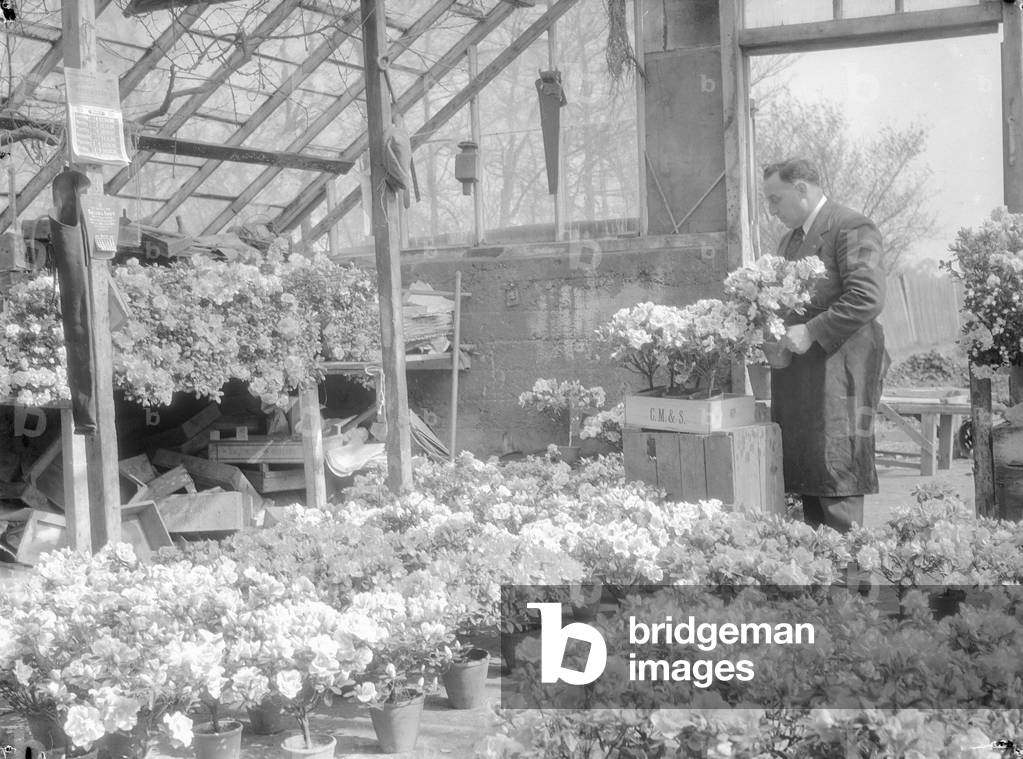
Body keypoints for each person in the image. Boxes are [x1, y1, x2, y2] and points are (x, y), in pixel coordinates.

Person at [762, 158, 889, 533]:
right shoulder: (789, 241)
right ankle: (821, 581)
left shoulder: (852, 227)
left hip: (842, 372)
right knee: (810, 477)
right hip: (801, 378)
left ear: (801, 189)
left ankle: (851, 581)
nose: (772, 210)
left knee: (837, 474)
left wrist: (812, 330)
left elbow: (868, 297)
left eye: (776, 199)